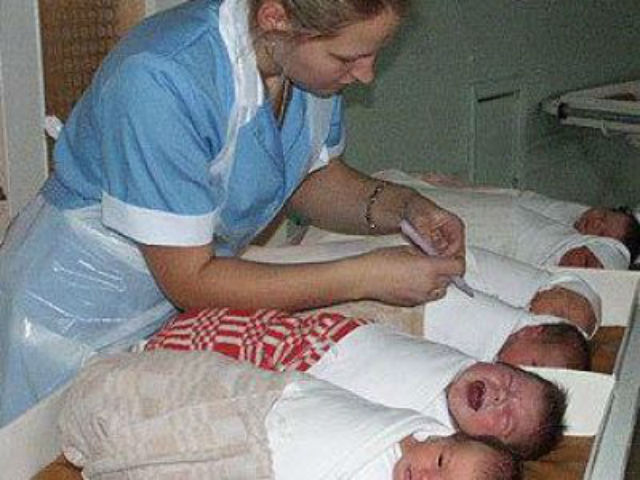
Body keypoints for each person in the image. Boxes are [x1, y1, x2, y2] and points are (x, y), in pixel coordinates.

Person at [0, 0, 468, 426]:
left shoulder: (302, 71)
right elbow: (191, 281)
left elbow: (305, 178)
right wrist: (365, 276)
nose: (365, 75)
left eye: (372, 54)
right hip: (59, 321)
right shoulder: (162, 77)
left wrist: (404, 207)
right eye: (347, 58)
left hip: (160, 311)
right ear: (275, 18)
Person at [146, 310, 568, 459]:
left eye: (506, 418)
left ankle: (143, 357)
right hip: (308, 335)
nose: (501, 396)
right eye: (510, 381)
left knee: (175, 375)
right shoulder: (466, 363)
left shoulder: (432, 437)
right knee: (191, 328)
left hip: (290, 379)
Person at [58, 350, 522, 480]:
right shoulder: (402, 429)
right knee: (150, 390)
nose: (426, 477)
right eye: (440, 463)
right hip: (263, 404)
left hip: (254, 466)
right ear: (437, 438)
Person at [240, 239, 599, 368]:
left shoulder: (493, 356)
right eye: (533, 363)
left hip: (388, 319)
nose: (526, 372)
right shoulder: (501, 321)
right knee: (274, 287)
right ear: (532, 332)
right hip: (403, 301)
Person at [302, 169, 640, 269]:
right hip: (482, 218)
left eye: (601, 231)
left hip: (488, 234)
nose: (594, 221)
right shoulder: (555, 214)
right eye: (602, 216)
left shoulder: (573, 249)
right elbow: (509, 199)